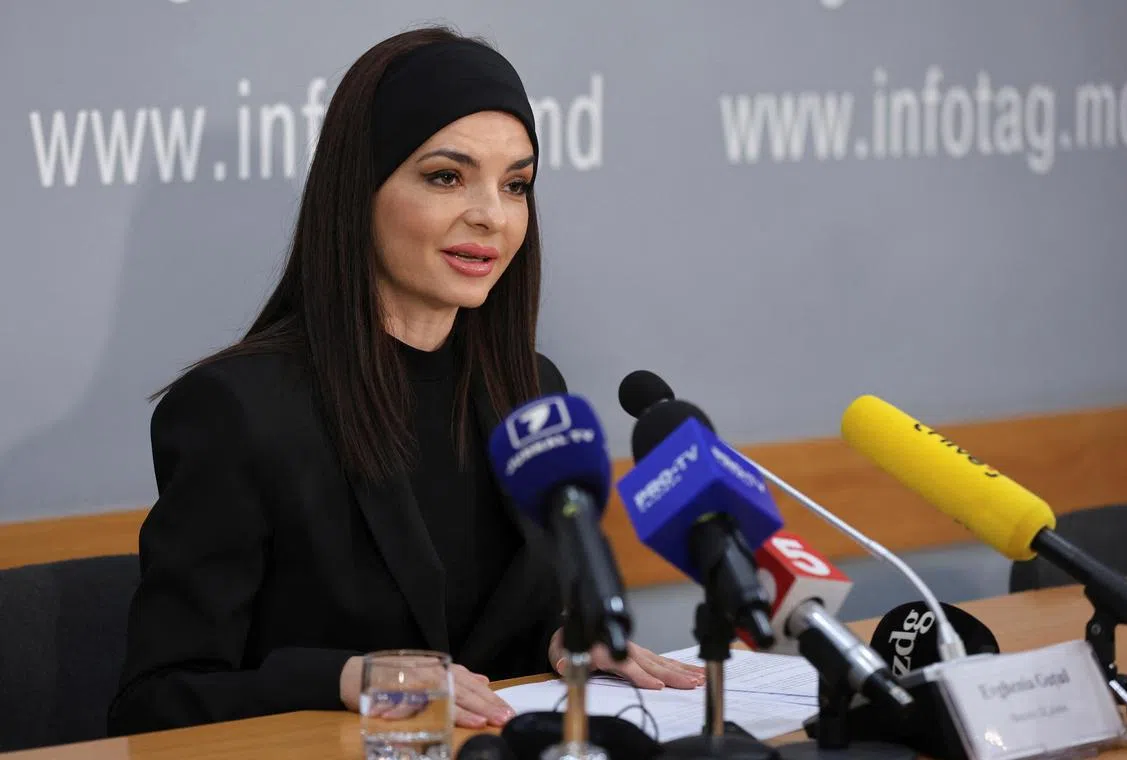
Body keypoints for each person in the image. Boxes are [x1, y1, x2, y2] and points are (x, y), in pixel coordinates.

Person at [107, 25, 703, 737]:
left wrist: (565, 644)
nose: (491, 214)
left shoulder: (532, 392)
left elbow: (501, 626)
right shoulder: (237, 410)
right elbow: (156, 703)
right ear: (360, 189)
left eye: (516, 184)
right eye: (446, 176)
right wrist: (358, 681)